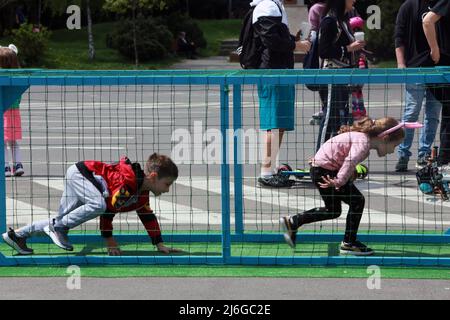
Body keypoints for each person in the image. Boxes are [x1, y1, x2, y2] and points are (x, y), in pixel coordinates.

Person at [280, 117, 420, 256]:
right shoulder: (364, 143)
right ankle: (349, 243)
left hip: (323, 169)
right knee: (357, 201)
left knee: (333, 210)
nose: (392, 151)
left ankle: (293, 222)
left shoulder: (362, 139)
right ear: (385, 138)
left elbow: (343, 155)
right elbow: (350, 160)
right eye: (394, 146)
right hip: (326, 173)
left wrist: (344, 174)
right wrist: (339, 181)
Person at [2, 153, 180, 255]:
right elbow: (108, 211)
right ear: (154, 177)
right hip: (81, 174)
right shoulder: (129, 185)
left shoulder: (142, 195)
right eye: (167, 184)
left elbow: (148, 217)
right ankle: (58, 228)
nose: (167, 190)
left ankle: (17, 236)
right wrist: (110, 241)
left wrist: (159, 244)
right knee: (99, 205)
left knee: (61, 219)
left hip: (83, 179)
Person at [251, 0, 311, 187]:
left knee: (279, 125)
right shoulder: (267, 6)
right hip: (273, 72)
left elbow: (274, 37)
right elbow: (270, 40)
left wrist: (293, 39)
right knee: (274, 125)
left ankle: (272, 168)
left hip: (279, 71)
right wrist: (296, 45)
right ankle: (266, 172)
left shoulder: (274, 5)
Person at [394, 0, 442, 172]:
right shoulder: (408, 6)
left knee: (433, 114)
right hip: (415, 66)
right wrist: (401, 63)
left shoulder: (440, 4)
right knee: (411, 112)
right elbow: (398, 36)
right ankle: (404, 153)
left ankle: (424, 153)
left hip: (438, 67)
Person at [316, 0, 366, 151]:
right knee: (330, 117)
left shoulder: (342, 20)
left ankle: (334, 157)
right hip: (332, 75)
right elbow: (323, 51)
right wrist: (348, 48)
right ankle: (318, 157)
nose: (354, 1)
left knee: (340, 120)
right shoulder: (330, 21)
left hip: (344, 75)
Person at [422, 0, 450, 167]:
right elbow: (427, 21)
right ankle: (444, 160)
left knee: (447, 114)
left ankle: (444, 160)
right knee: (448, 115)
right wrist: (435, 50)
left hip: (443, 67)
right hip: (444, 66)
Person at [0, 44, 25, 177]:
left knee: (2, 141)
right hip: (15, 111)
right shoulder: (17, 77)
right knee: (13, 141)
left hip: (3, 111)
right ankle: (18, 164)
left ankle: (5, 166)